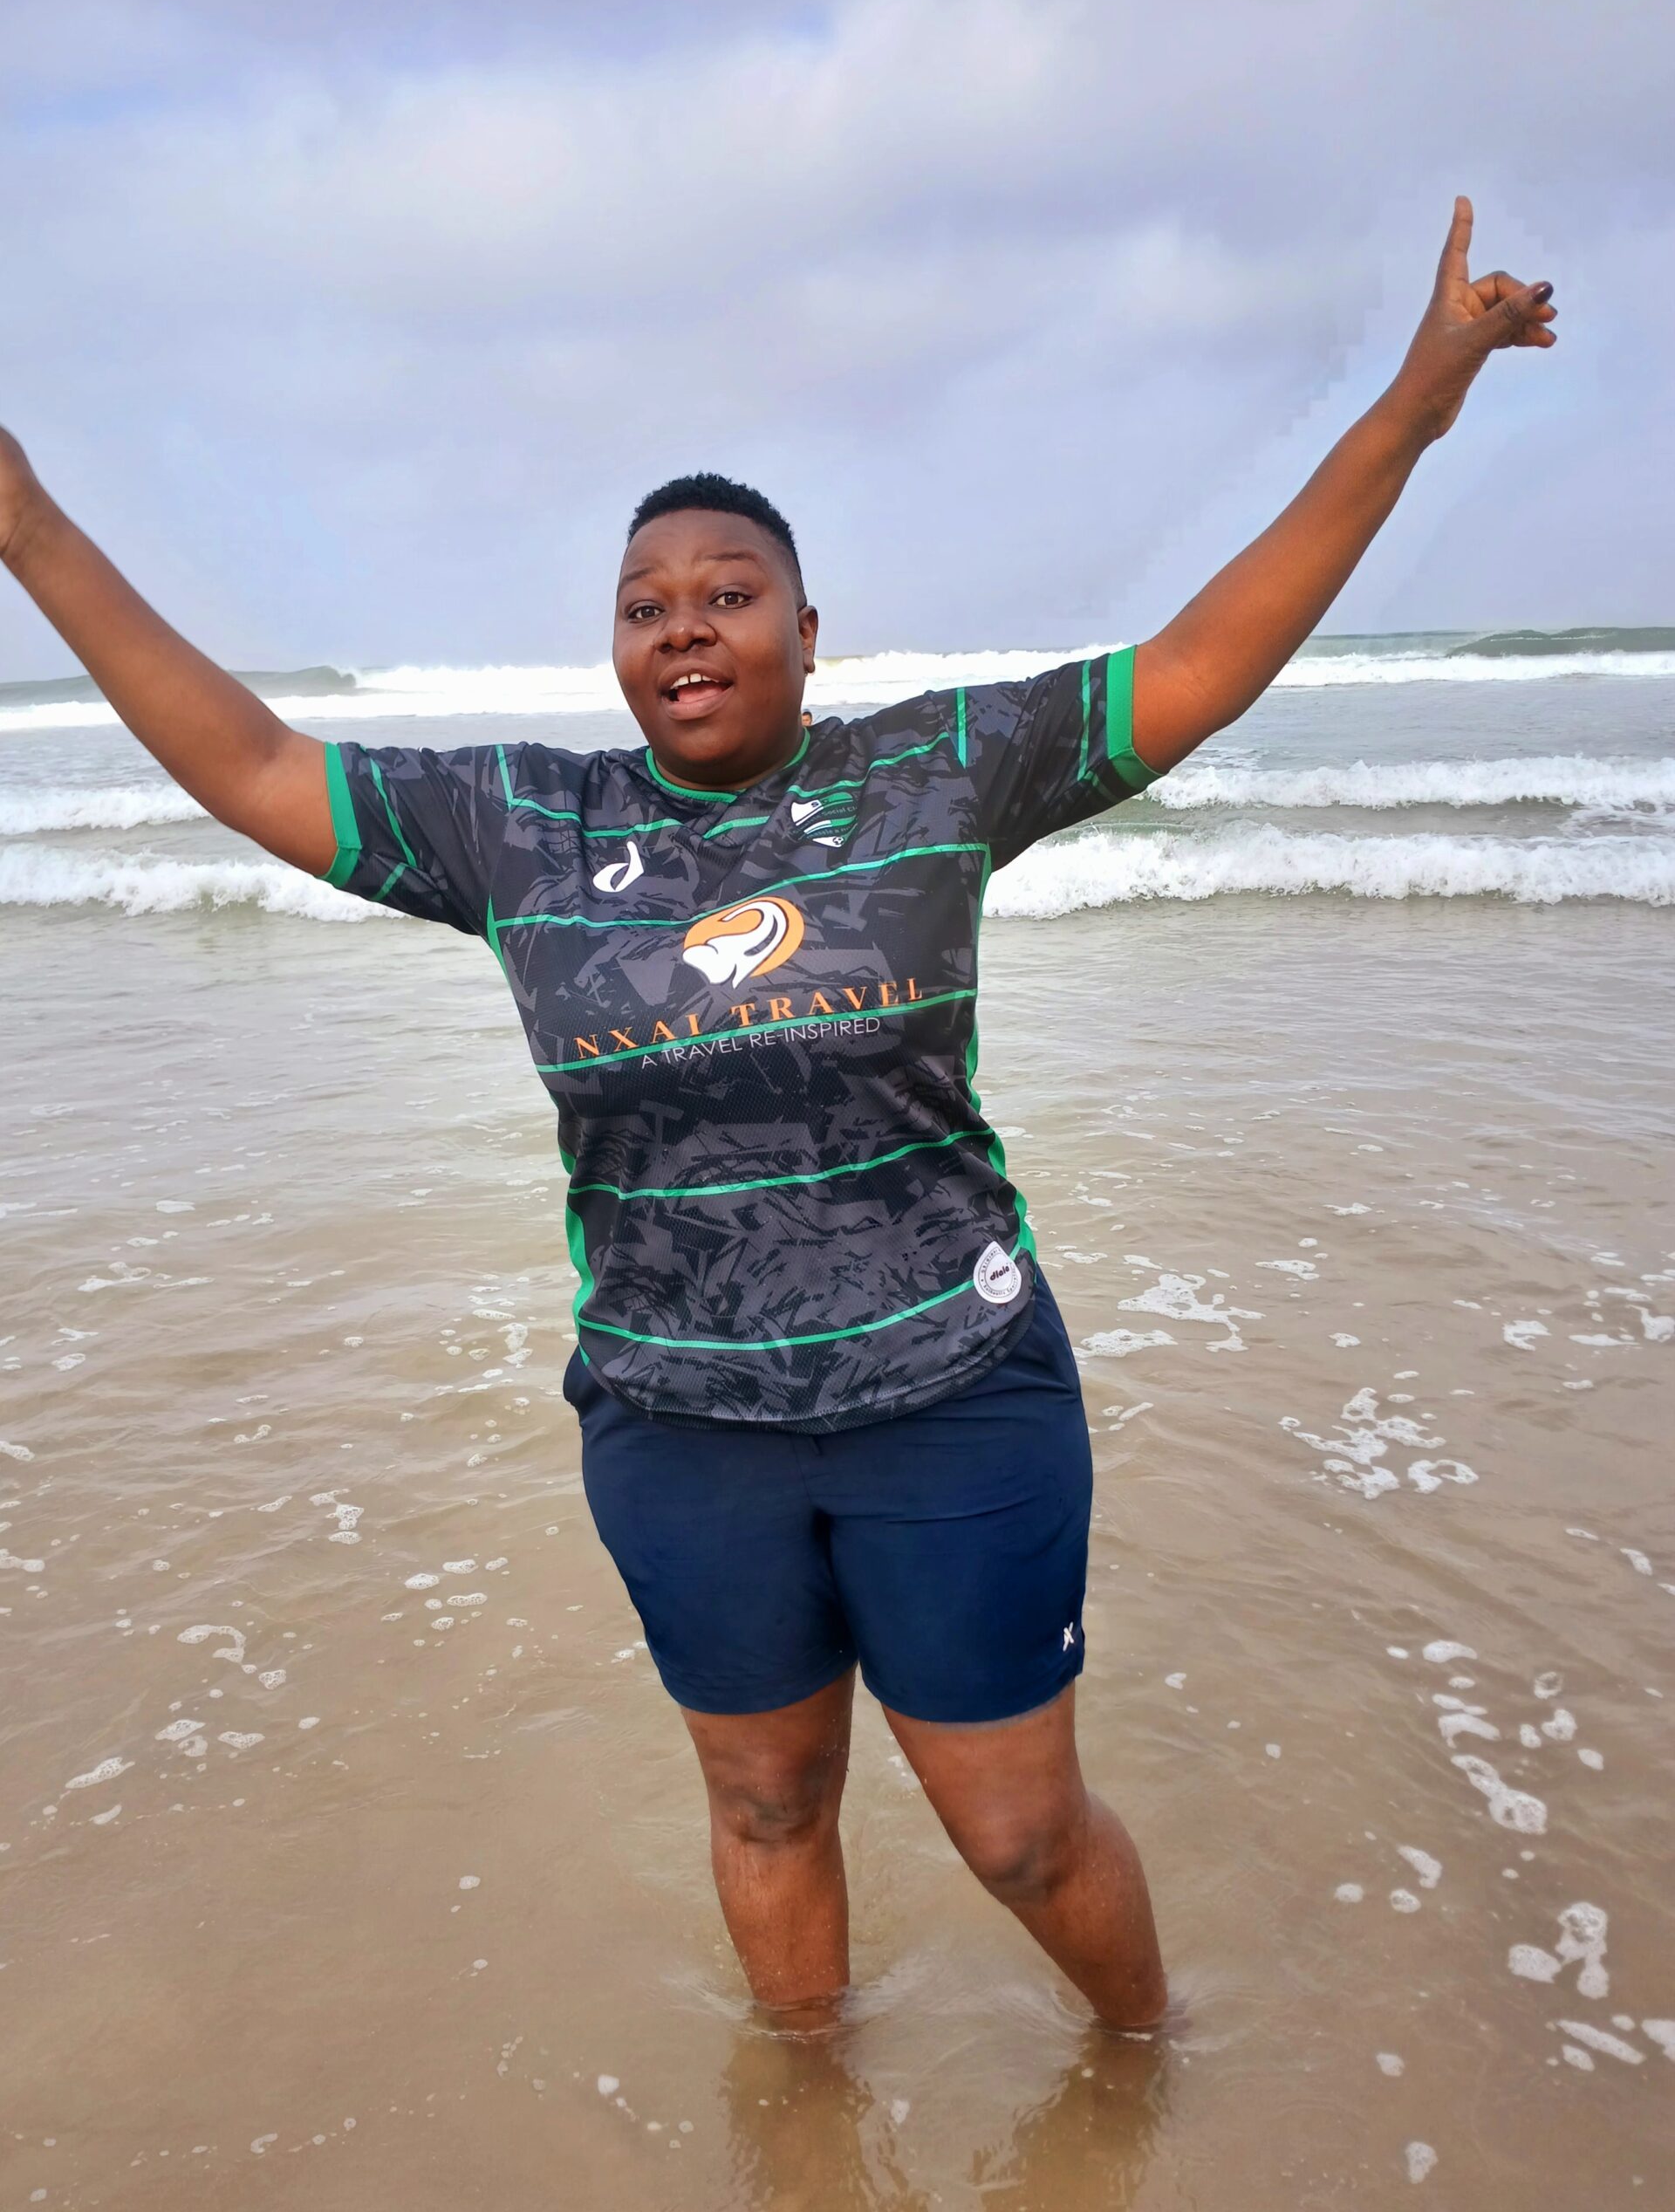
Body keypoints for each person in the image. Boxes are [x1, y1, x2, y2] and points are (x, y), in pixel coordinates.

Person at [0, 201, 1553, 2031]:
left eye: (728, 592)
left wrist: (1420, 399)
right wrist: (27, 523)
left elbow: (1206, 660)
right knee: (762, 1804)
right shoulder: (526, 826)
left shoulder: (936, 771)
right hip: (681, 1422)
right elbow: (258, 760)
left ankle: (1145, 2059)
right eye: (644, 604)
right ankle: (809, 2108)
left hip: (953, 1393)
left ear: (808, 630)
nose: (685, 625)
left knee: (1019, 1835)